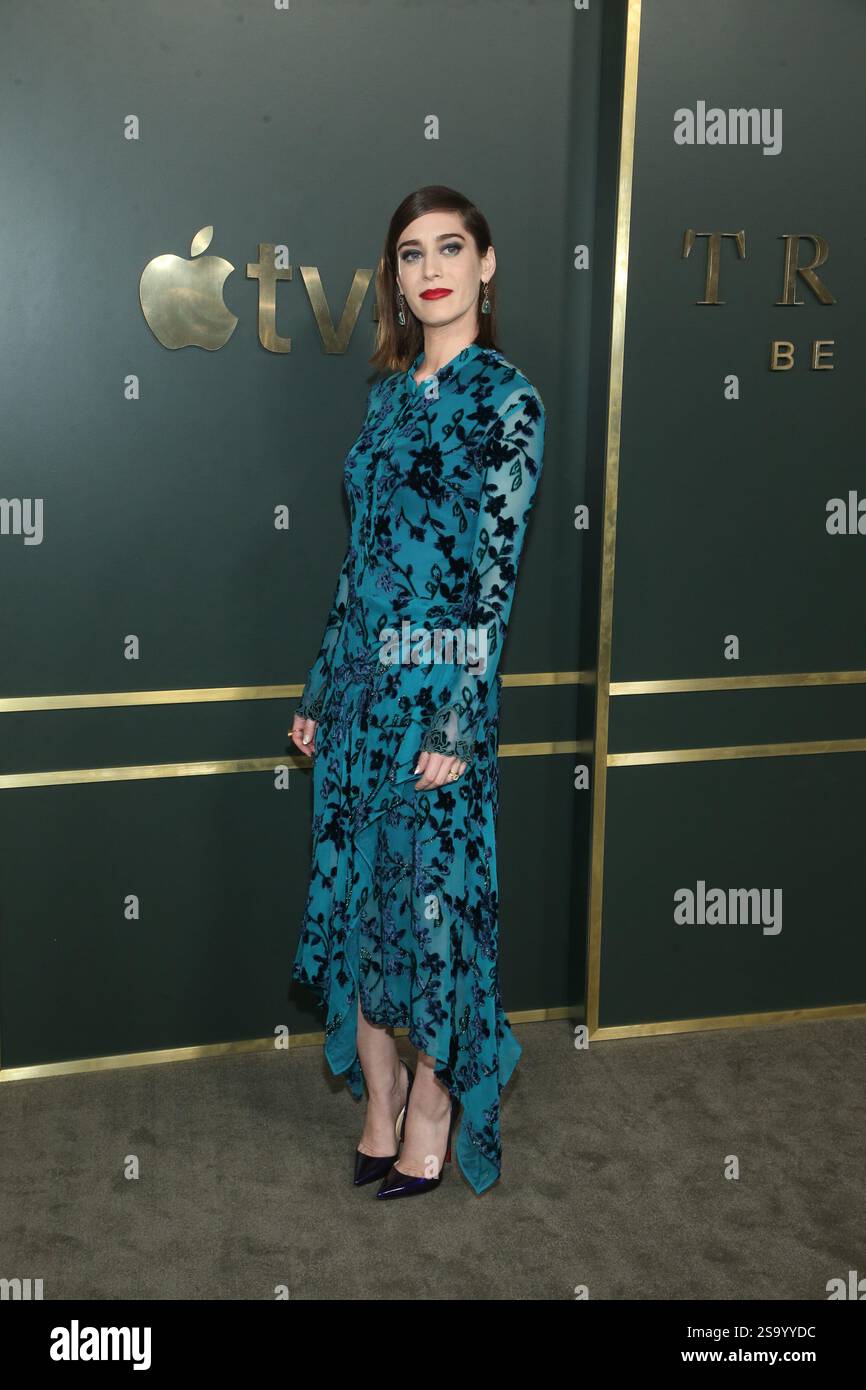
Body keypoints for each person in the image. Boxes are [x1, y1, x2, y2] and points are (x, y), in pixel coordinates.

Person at [289, 184, 546, 1198]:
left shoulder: (505, 399)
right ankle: (379, 1095)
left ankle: (436, 1104)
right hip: (358, 693)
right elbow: (357, 561)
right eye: (408, 253)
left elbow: (493, 576)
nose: (428, 267)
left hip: (438, 696)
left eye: (449, 247)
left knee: (435, 910)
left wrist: (455, 716)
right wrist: (319, 685)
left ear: (486, 264)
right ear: (394, 277)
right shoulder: (388, 396)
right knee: (359, 899)